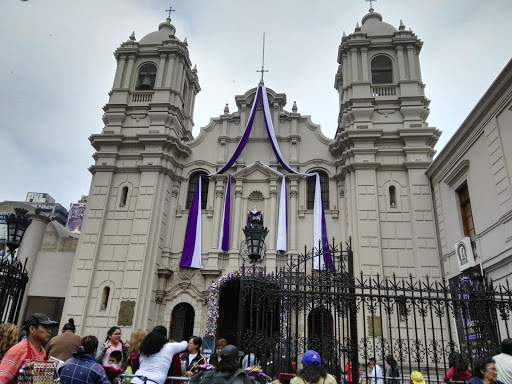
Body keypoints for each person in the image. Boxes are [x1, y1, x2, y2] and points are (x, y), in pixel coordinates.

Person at [0, 312, 57, 383]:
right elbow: (2, 378)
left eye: (50, 327)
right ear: (32, 329)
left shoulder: (42, 351)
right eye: (45, 327)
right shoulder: (19, 350)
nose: (49, 331)